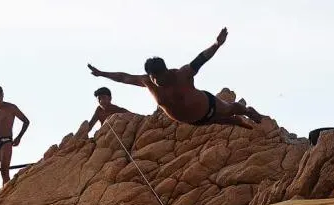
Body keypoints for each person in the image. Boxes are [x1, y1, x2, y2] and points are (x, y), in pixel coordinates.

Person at [87, 27, 263, 129]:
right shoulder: (147, 82)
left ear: (166, 71)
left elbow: (201, 58)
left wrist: (217, 44)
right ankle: (237, 121)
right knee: (225, 121)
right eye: (153, 78)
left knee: (230, 109)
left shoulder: (182, 74)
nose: (156, 81)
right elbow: (123, 77)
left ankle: (249, 112)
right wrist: (102, 73)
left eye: (159, 77)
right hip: (196, 121)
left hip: (208, 105)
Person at [0, 85, 30, 187]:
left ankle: (6, 193)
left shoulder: (11, 107)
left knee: (4, 170)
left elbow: (26, 121)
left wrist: (19, 137)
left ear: (3, 94)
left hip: (6, 140)